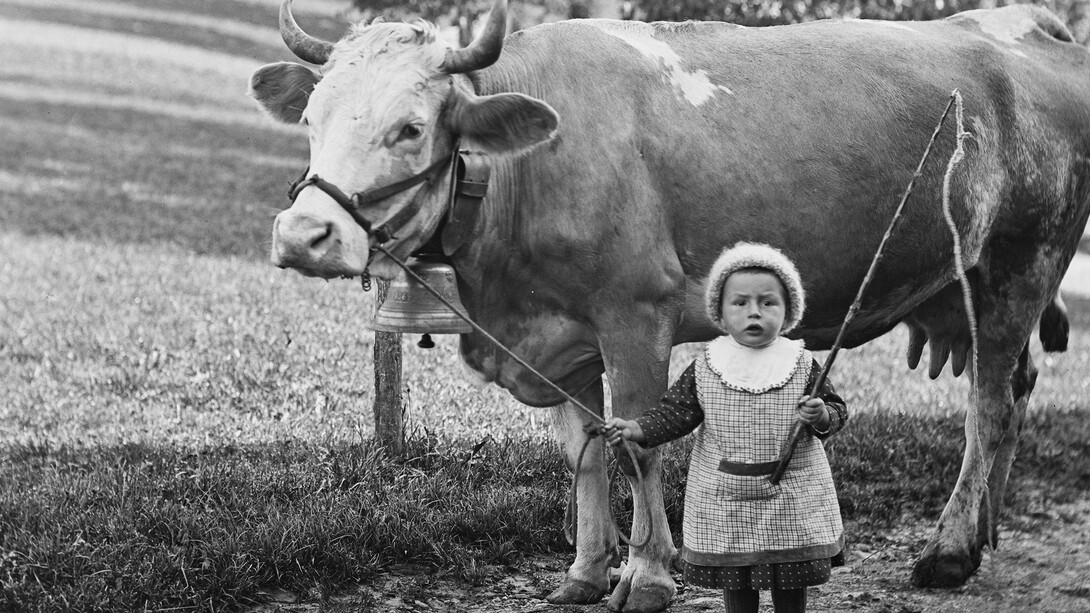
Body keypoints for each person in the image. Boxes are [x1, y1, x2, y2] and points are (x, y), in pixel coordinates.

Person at [602, 242, 847, 613]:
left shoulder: (799, 363)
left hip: (792, 497)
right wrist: (637, 430)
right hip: (727, 499)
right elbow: (674, 414)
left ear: (789, 310)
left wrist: (822, 416)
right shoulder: (709, 366)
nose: (754, 312)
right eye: (741, 303)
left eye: (768, 303)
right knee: (738, 576)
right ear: (720, 311)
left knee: (790, 576)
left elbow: (837, 410)